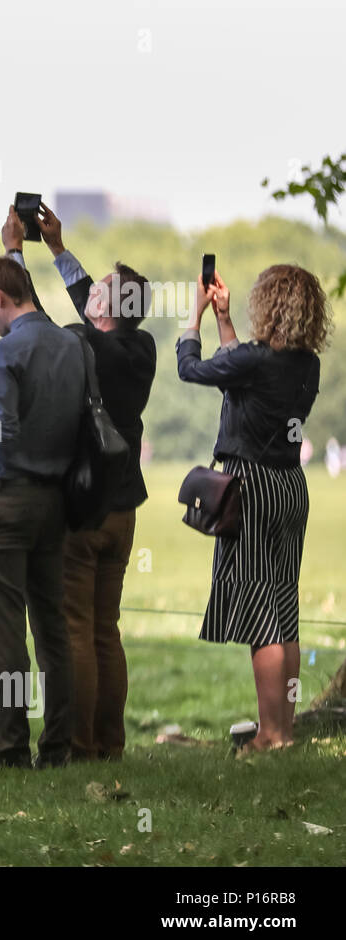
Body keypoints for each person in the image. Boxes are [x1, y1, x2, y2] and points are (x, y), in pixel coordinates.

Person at [4, 203, 157, 762]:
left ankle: (79, 743)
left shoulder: (78, 343)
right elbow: (95, 303)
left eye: (99, 291)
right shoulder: (140, 347)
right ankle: (110, 743)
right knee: (104, 630)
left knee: (72, 627)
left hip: (83, 504)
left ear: (105, 309)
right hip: (124, 507)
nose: (89, 292)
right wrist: (57, 248)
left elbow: (30, 321)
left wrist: (14, 253)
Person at [177, 264, 330, 752]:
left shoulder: (258, 360)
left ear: (270, 305)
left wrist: (193, 318)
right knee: (284, 608)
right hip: (290, 486)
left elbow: (192, 369)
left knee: (261, 614)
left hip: (252, 489)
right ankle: (283, 730)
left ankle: (268, 736)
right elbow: (238, 371)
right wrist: (224, 320)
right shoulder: (306, 363)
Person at [0, 255, 83, 770]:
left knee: (7, 636)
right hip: (56, 500)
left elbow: (4, 438)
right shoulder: (72, 345)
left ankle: (10, 748)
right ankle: (58, 746)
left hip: (8, 500)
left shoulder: (3, 352)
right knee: (52, 628)